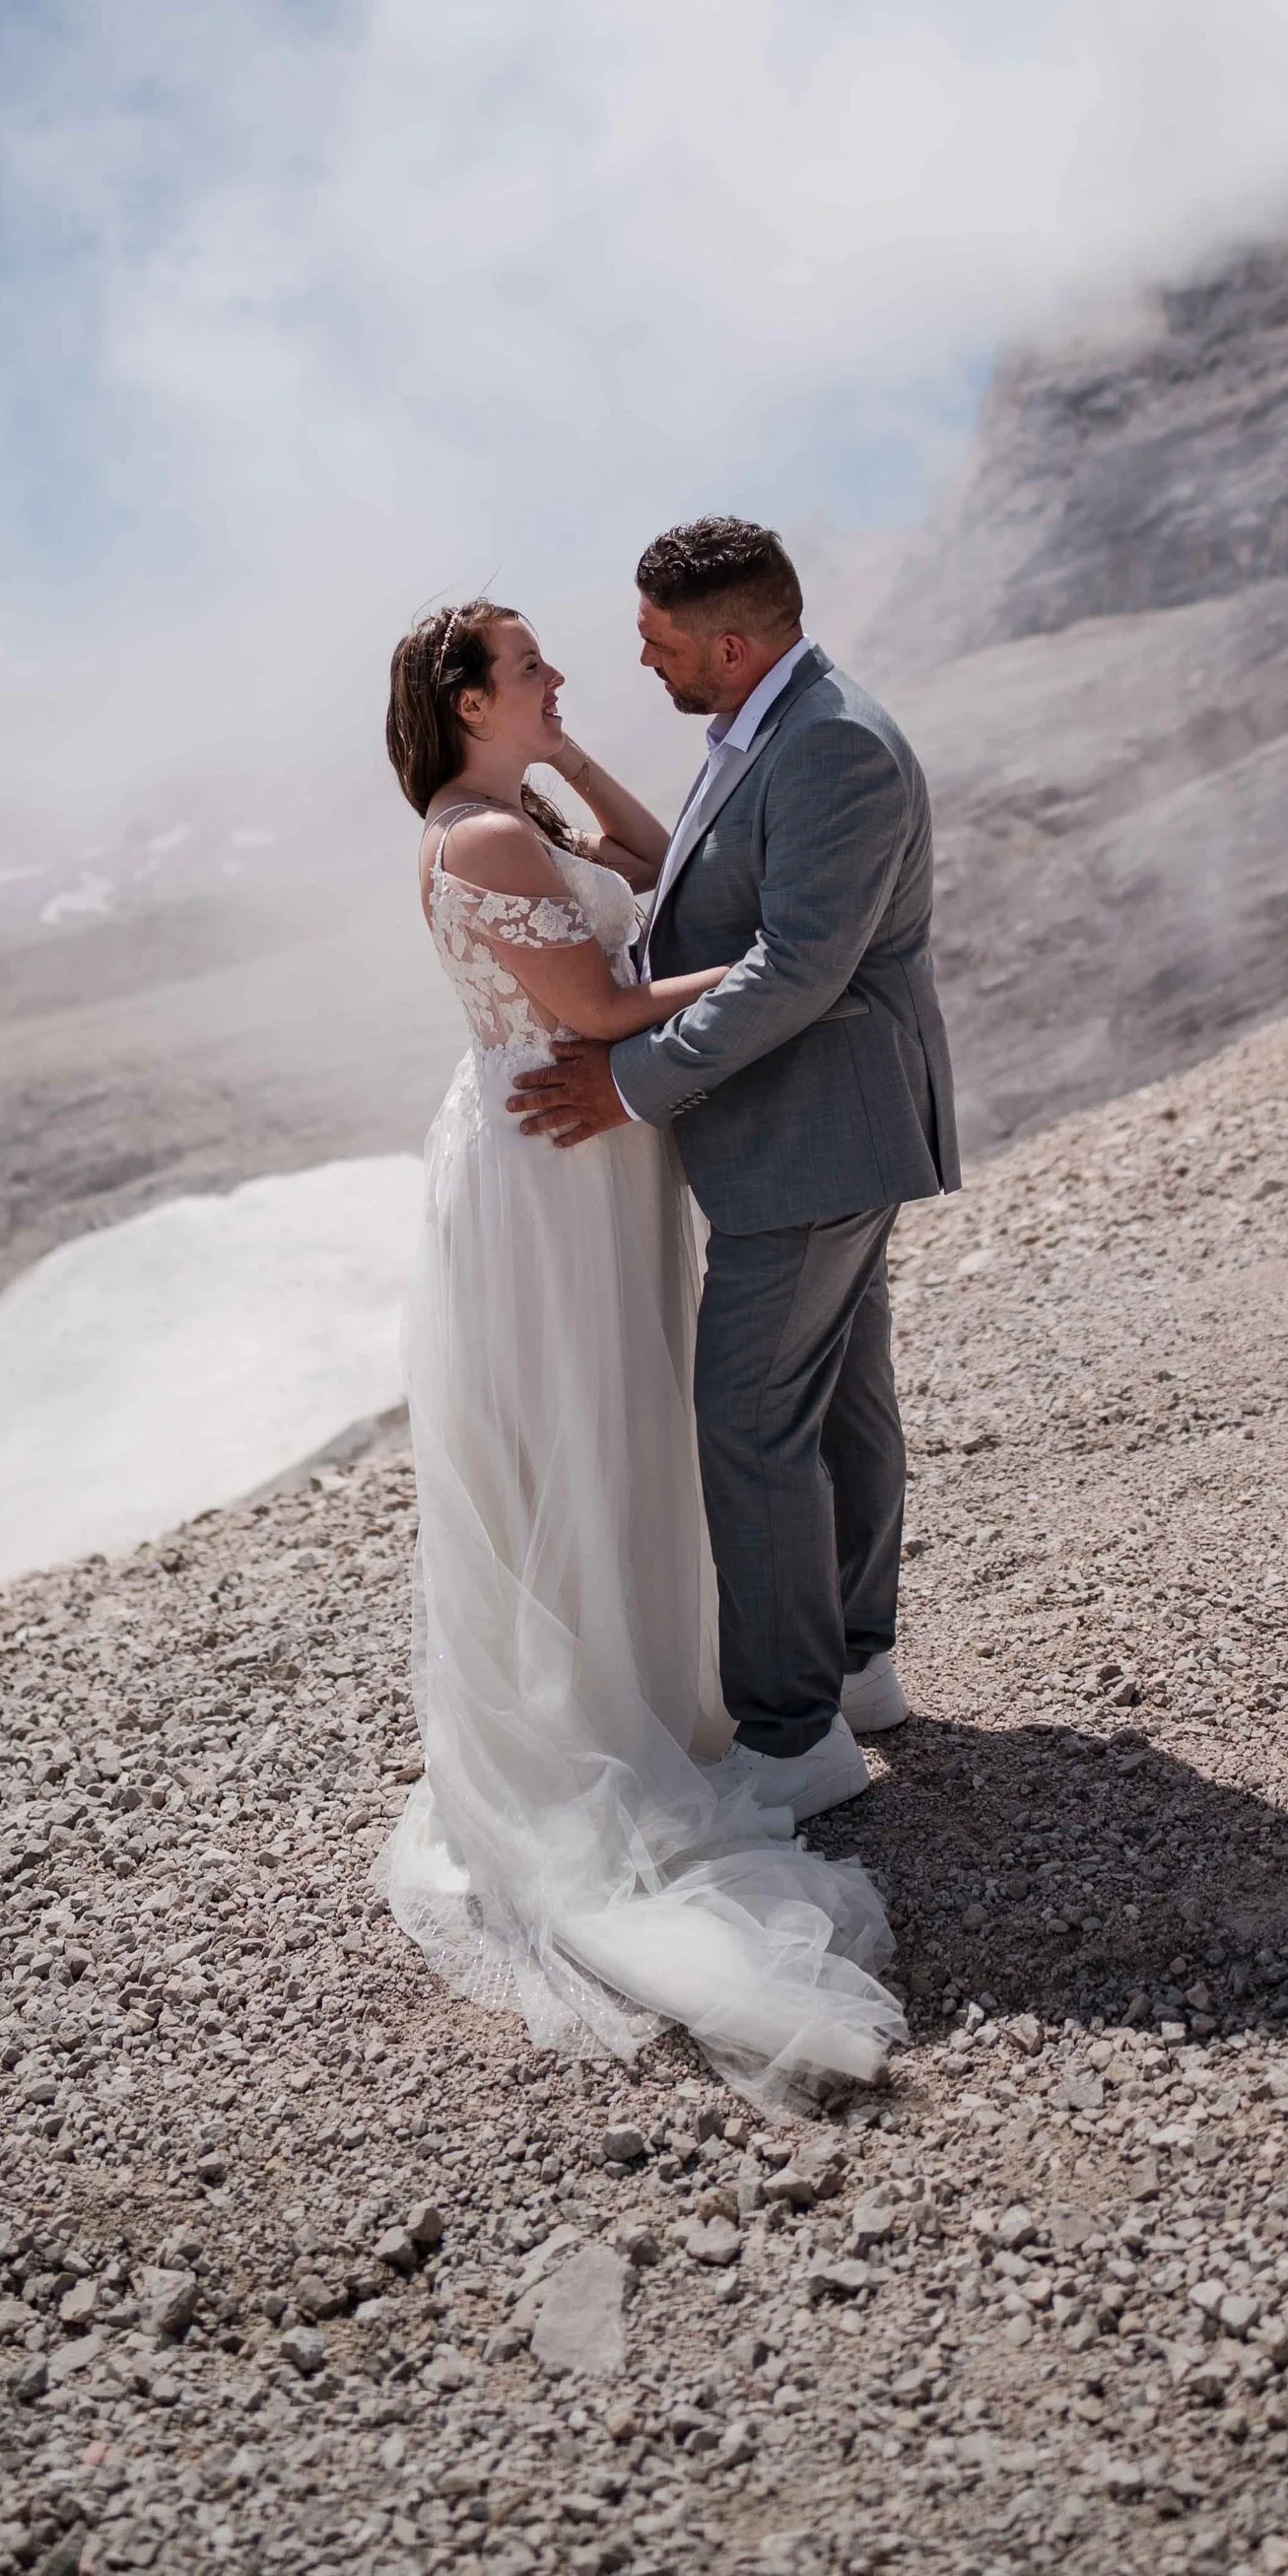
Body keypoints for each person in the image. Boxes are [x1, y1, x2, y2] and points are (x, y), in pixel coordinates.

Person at [374, 589, 907, 2104]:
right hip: (551, 1170)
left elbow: (666, 876)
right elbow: (602, 1003)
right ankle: (601, 1724)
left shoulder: (517, 806)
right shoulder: (476, 836)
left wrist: (582, 767)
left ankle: (663, 1690)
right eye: (530, 667)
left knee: (631, 1422)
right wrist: (792, 981)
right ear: (467, 701)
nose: (558, 676)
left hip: (599, 1164)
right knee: (587, 1431)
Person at [509, 519, 959, 1814]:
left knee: (751, 1417)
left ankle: (791, 1737)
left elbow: (800, 965)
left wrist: (629, 1083)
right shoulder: (771, 720)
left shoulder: (830, 743)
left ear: (729, 640)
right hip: (819, 1127)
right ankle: (860, 1666)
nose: (641, 664)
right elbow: (695, 882)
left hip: (819, 1127)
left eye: (656, 643)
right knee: (839, 1401)